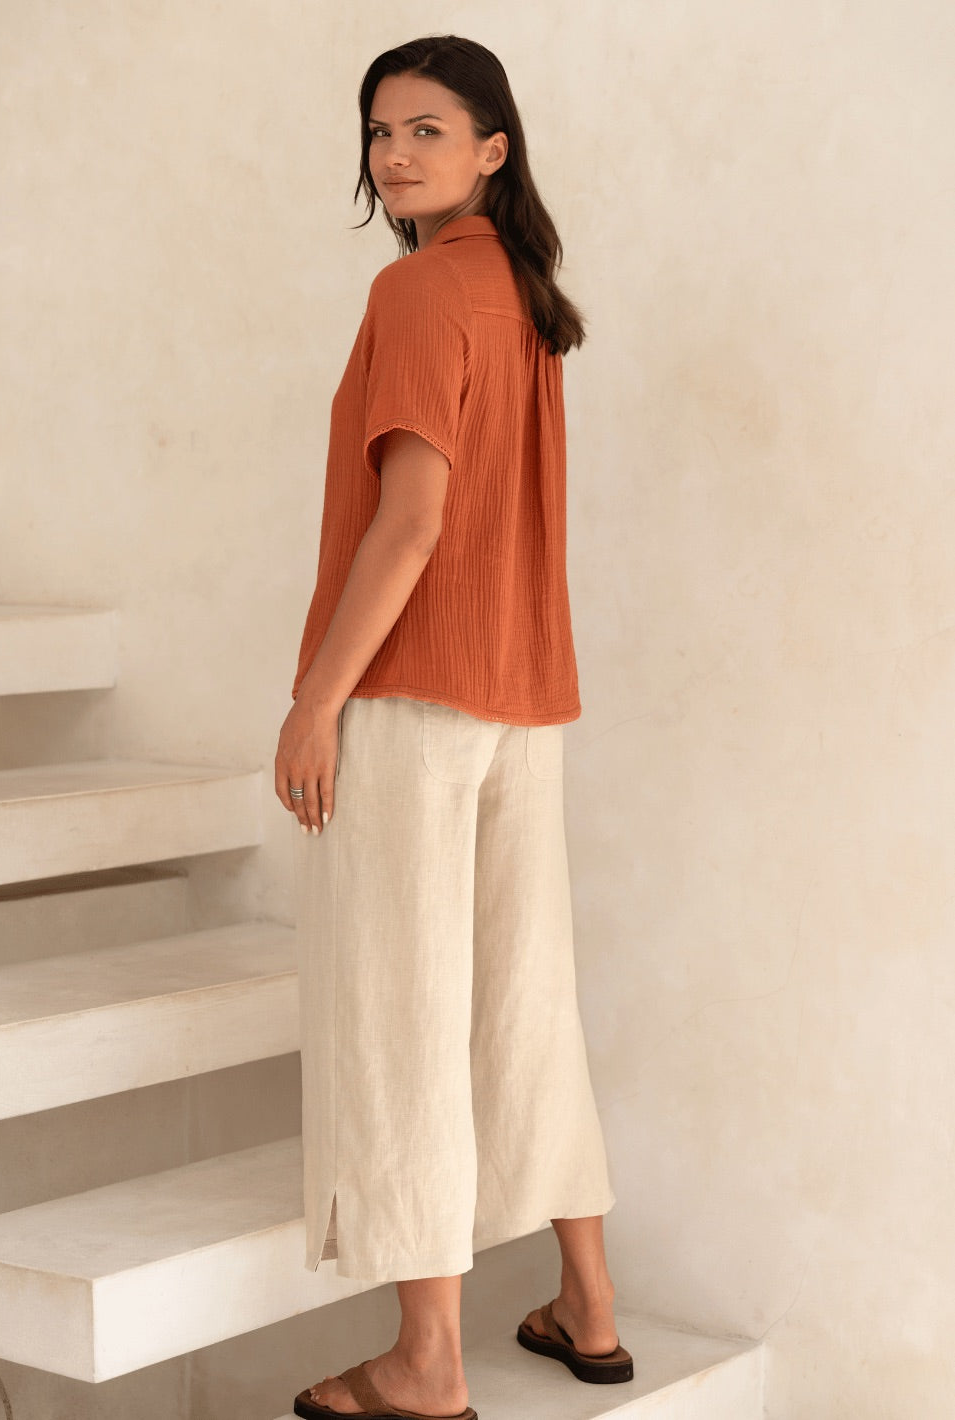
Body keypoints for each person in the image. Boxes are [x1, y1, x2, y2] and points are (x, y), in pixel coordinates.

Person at [275, 35, 632, 1420]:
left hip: (413, 702)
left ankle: (426, 1361)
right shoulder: (522, 297)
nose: (395, 154)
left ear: (495, 146)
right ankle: (586, 1302)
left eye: (427, 128)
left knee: (398, 1013)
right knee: (523, 1002)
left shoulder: (421, 287)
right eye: (377, 133)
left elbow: (412, 518)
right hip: (521, 698)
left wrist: (317, 699)